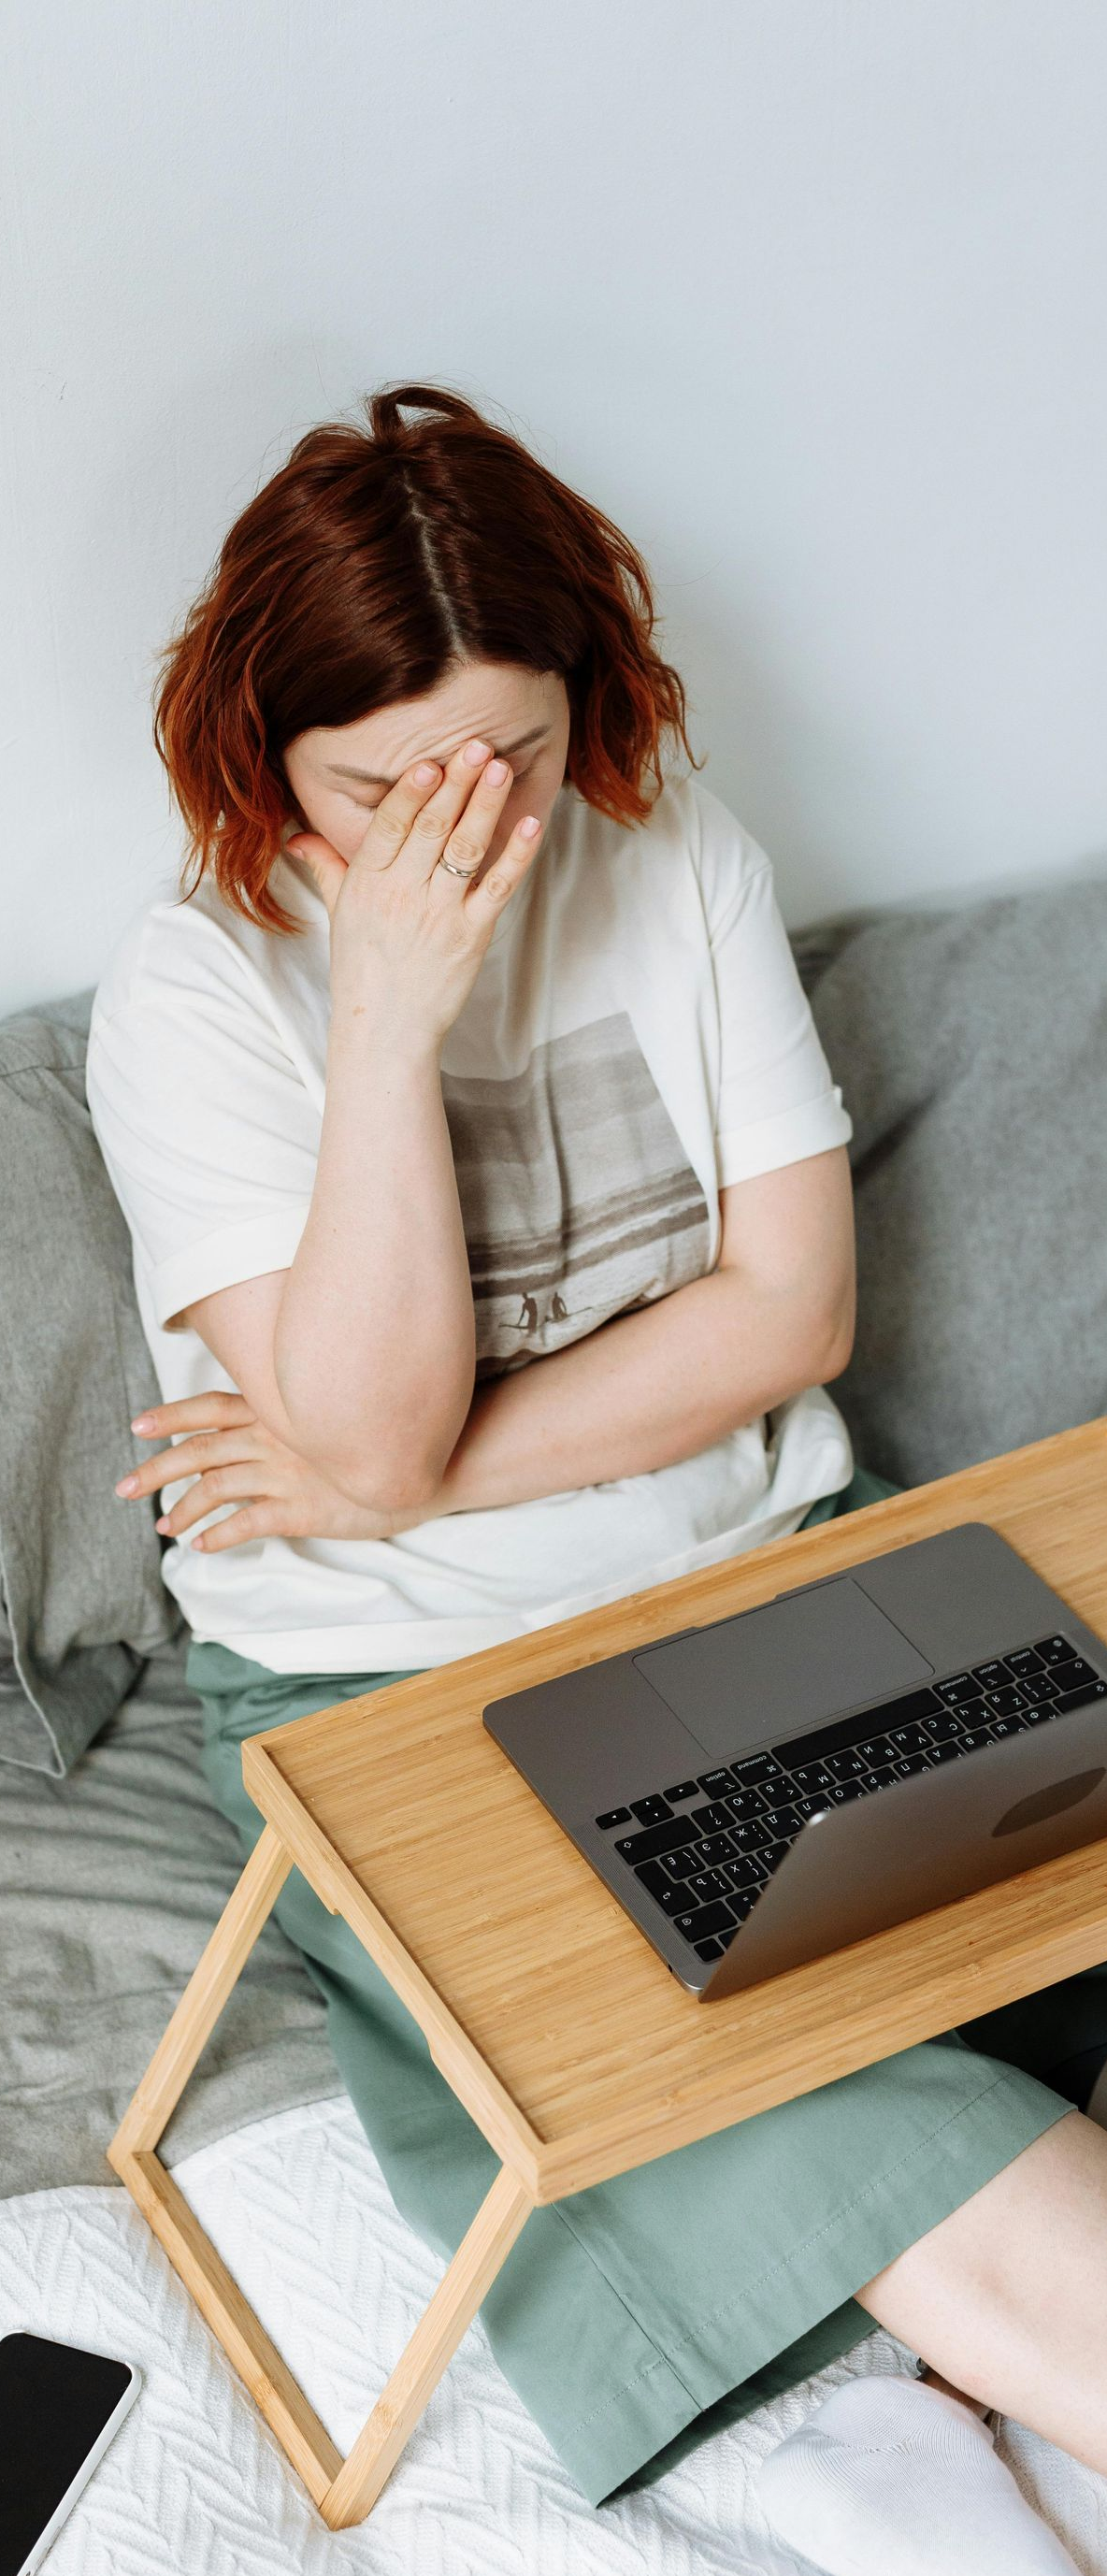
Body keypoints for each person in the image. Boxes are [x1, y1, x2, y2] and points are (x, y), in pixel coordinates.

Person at [87, 381, 1107, 2575]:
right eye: (377, 790)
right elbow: (358, 1424)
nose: (453, 833)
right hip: (404, 1713)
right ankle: (909, 2378)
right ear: (261, 753)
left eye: (511, 767)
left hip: (770, 1586)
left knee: (992, 1921)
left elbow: (786, 1319)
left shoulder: (675, 851)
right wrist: (385, 1015)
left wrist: (389, 1476)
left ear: (595, 712)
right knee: (763, 2070)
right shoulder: (195, 996)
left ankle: (903, 2377)